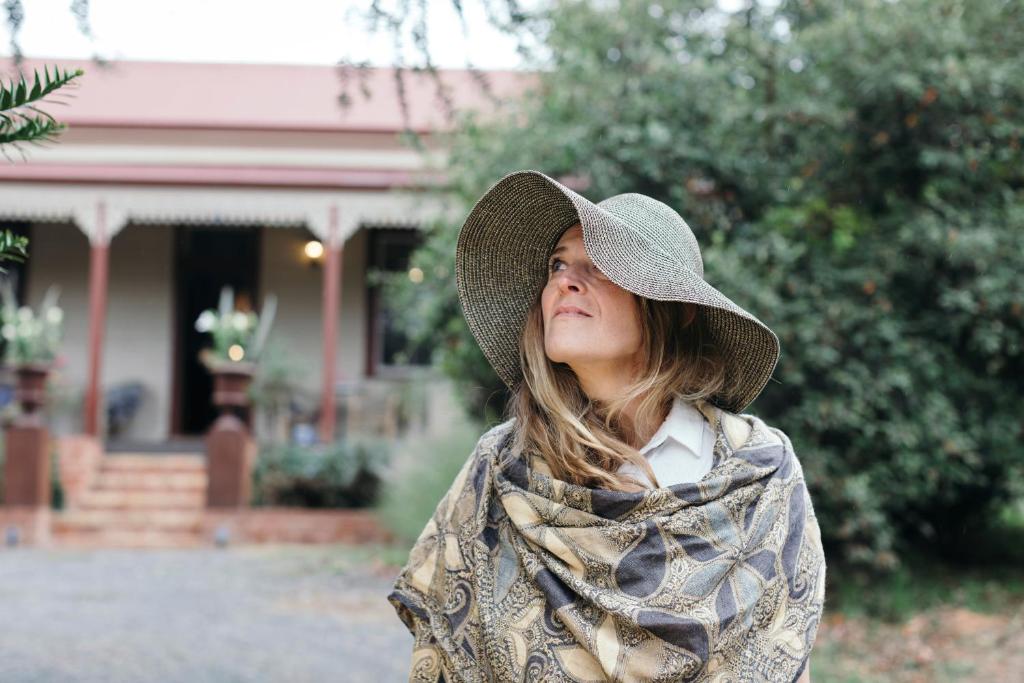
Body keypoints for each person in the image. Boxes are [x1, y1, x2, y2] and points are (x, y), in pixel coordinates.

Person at [388, 170, 826, 682]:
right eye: (558, 264)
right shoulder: (500, 472)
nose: (564, 281)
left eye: (601, 264)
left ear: (675, 306)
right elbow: (450, 646)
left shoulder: (762, 475)